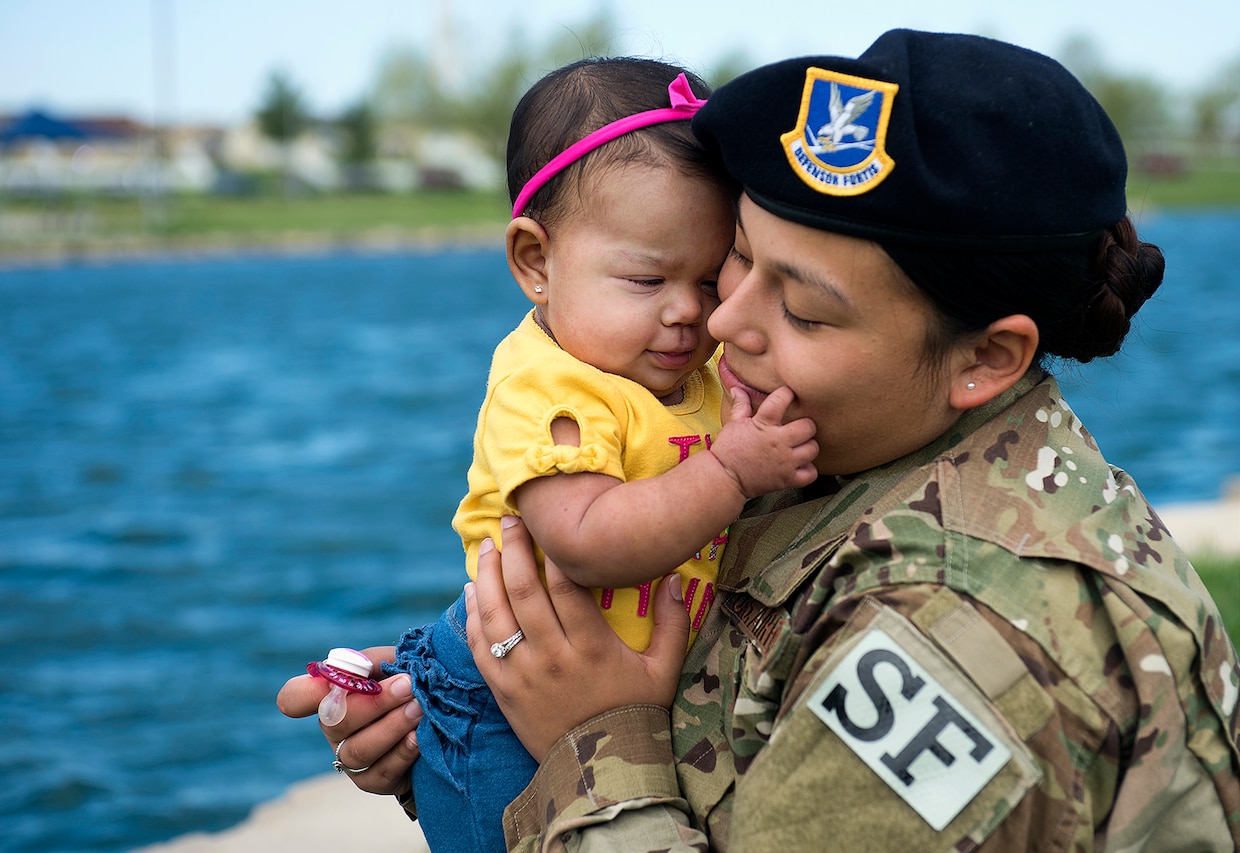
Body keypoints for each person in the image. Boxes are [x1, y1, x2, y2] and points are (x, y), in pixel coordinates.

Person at [281, 30, 1240, 851]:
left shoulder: (966, 638)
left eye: (806, 310)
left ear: (985, 357)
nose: (723, 321)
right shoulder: (848, 442)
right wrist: (471, 704)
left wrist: (586, 740)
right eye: (738, 255)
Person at [286, 57, 817, 853]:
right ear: (537, 262)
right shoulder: (548, 384)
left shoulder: (686, 365)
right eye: (646, 278)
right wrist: (733, 469)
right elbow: (587, 539)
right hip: (504, 700)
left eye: (711, 279)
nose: (688, 312)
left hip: (598, 680)